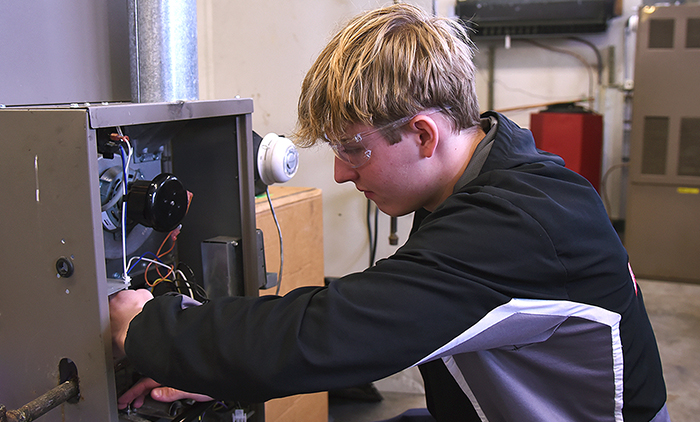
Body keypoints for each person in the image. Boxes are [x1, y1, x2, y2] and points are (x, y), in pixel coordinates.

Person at [110, 3, 670, 421]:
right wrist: (216, 371)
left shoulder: (518, 223)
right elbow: (384, 318)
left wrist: (150, 328)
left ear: (424, 134)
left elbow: (336, 331)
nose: (340, 173)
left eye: (353, 149)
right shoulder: (492, 178)